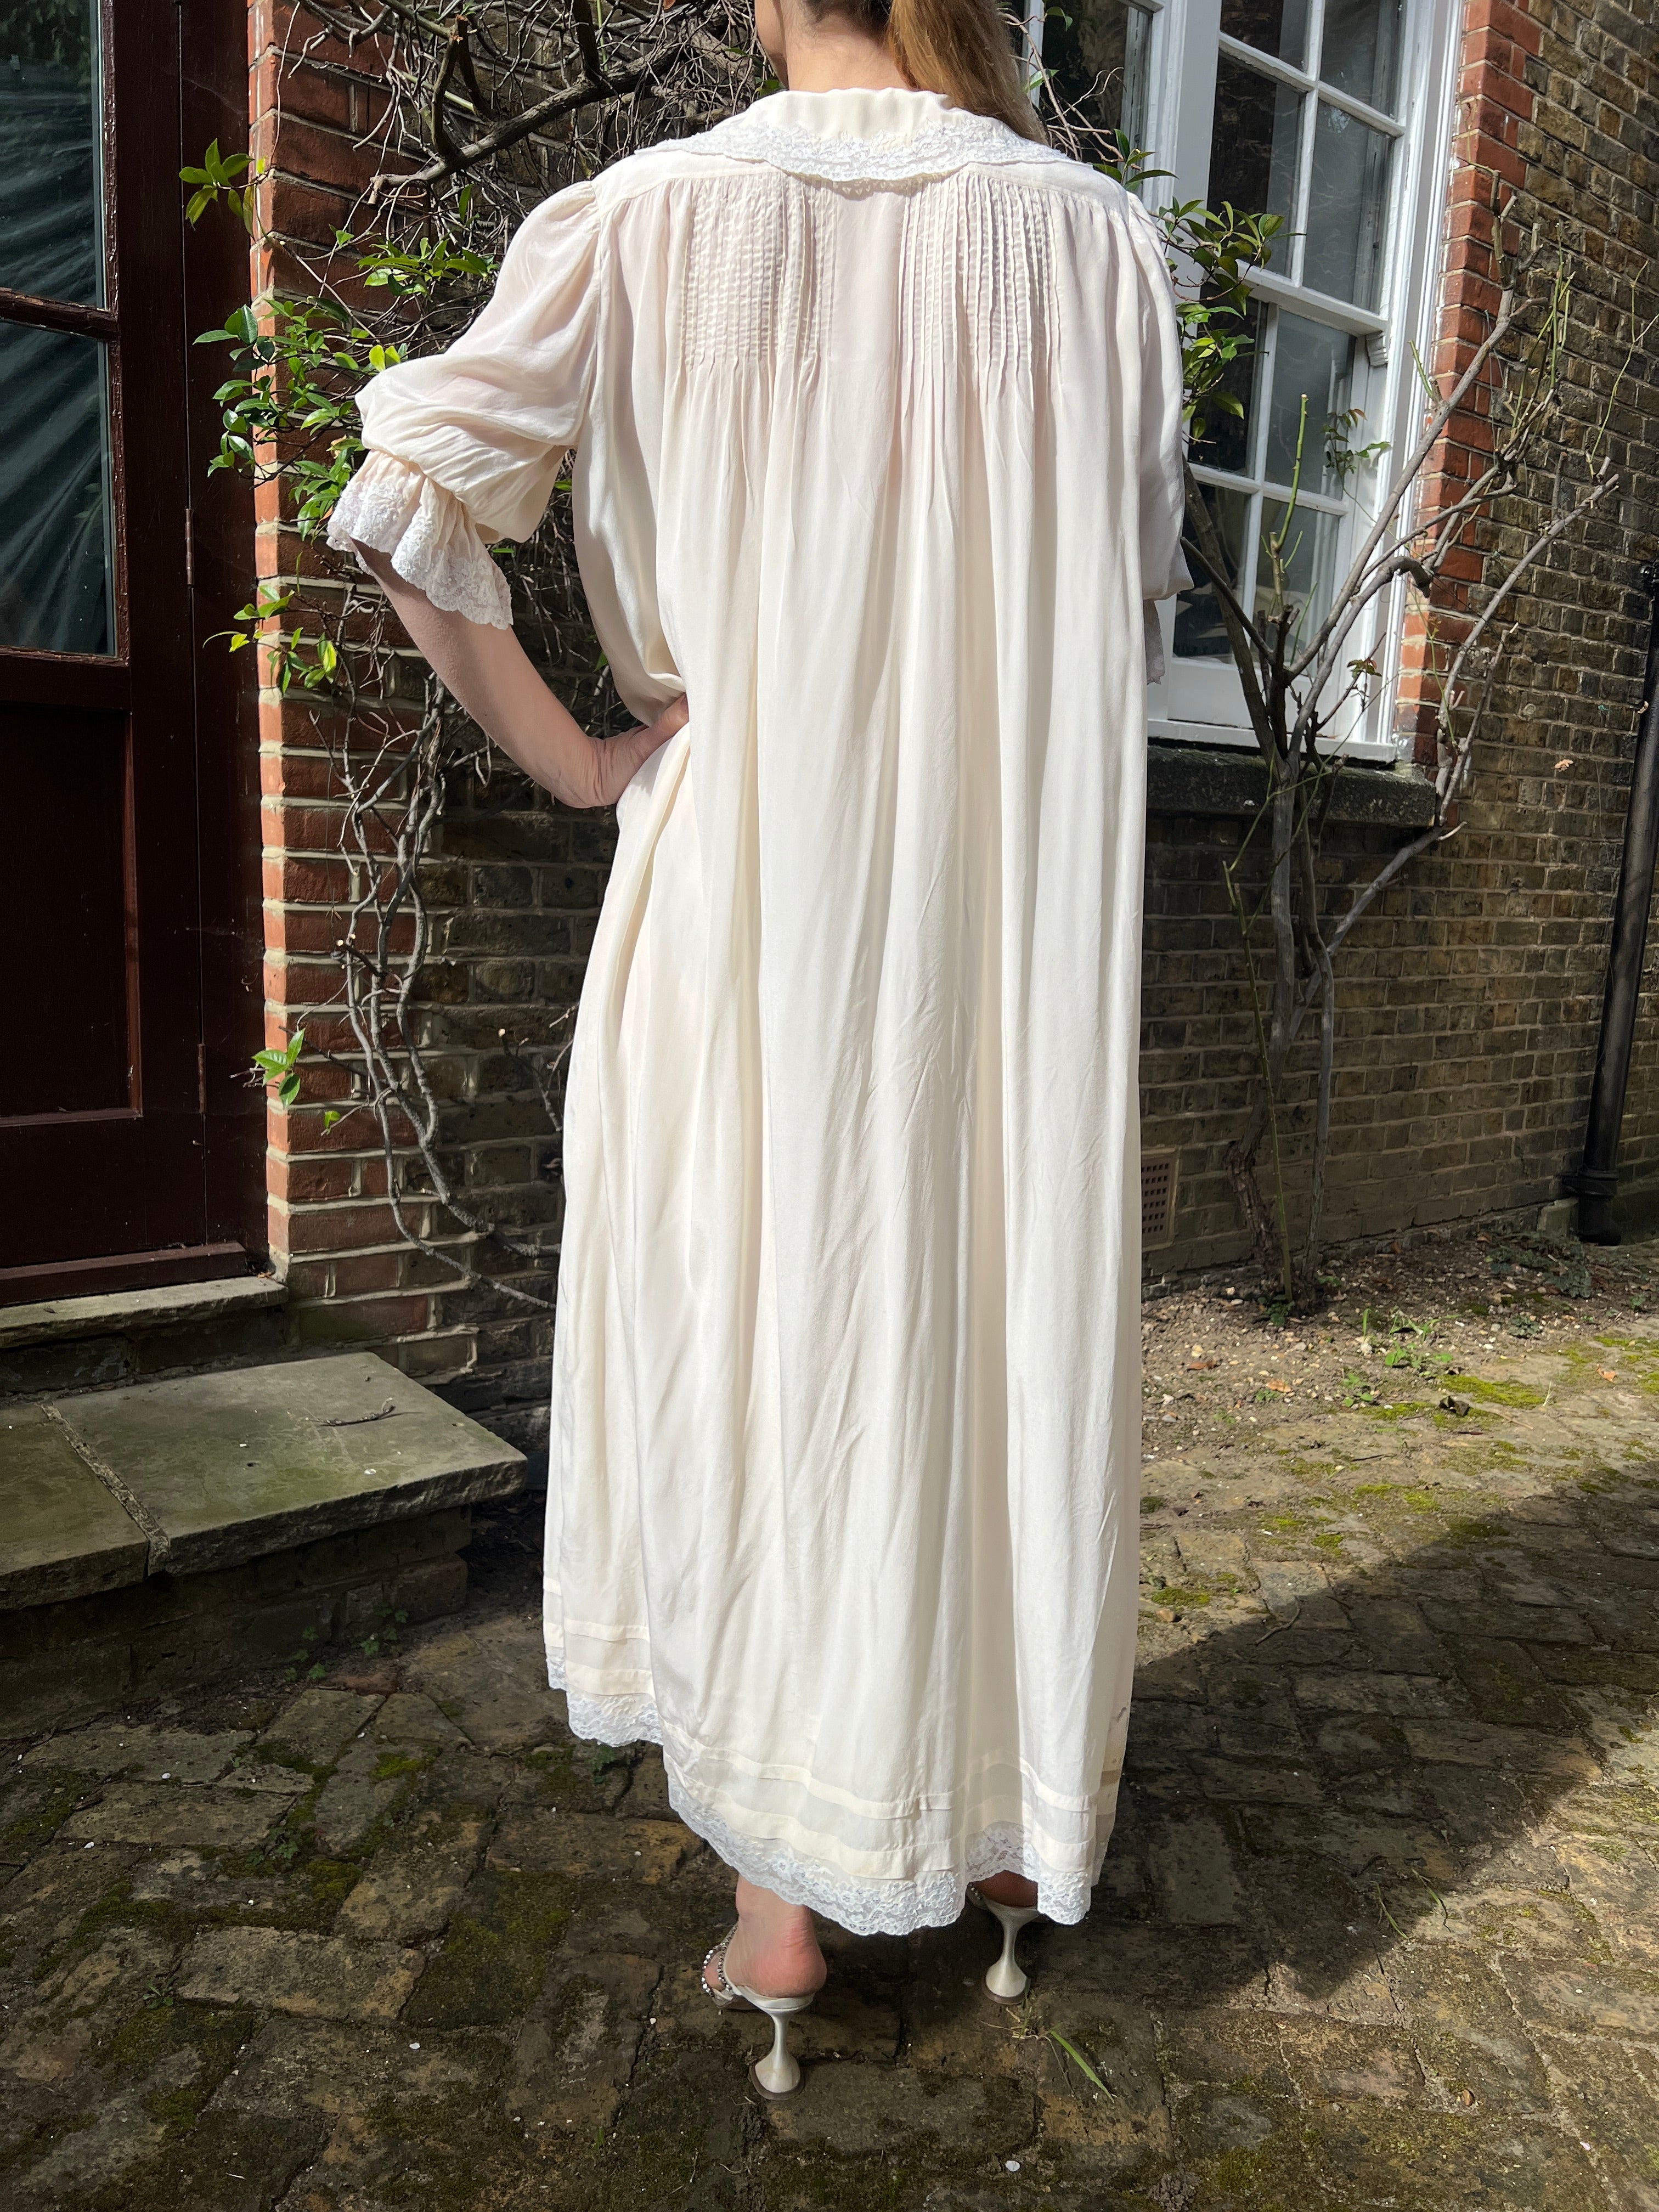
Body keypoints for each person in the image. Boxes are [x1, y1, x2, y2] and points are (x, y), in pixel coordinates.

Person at [330, 0, 1188, 2104]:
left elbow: (408, 498)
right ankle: (1008, 1843)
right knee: (989, 1323)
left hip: (748, 898)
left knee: (764, 1331)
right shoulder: (1098, 245)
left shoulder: (644, 219)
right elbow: (1127, 598)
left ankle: (784, 1906)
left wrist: (583, 761)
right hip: (1009, 911)